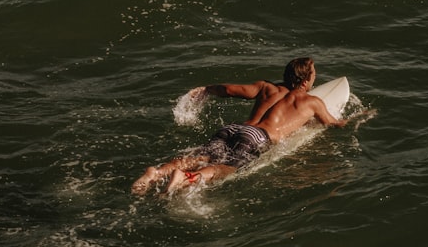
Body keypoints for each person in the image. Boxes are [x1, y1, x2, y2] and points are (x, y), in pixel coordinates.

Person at [131, 57, 351, 194]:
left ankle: (157, 172)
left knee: (201, 156)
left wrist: (206, 89)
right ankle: (186, 178)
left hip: (233, 128)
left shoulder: (266, 88)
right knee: (226, 168)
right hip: (257, 136)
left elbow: (228, 90)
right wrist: (358, 118)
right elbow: (333, 124)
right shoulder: (310, 101)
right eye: (313, 77)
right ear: (305, 82)